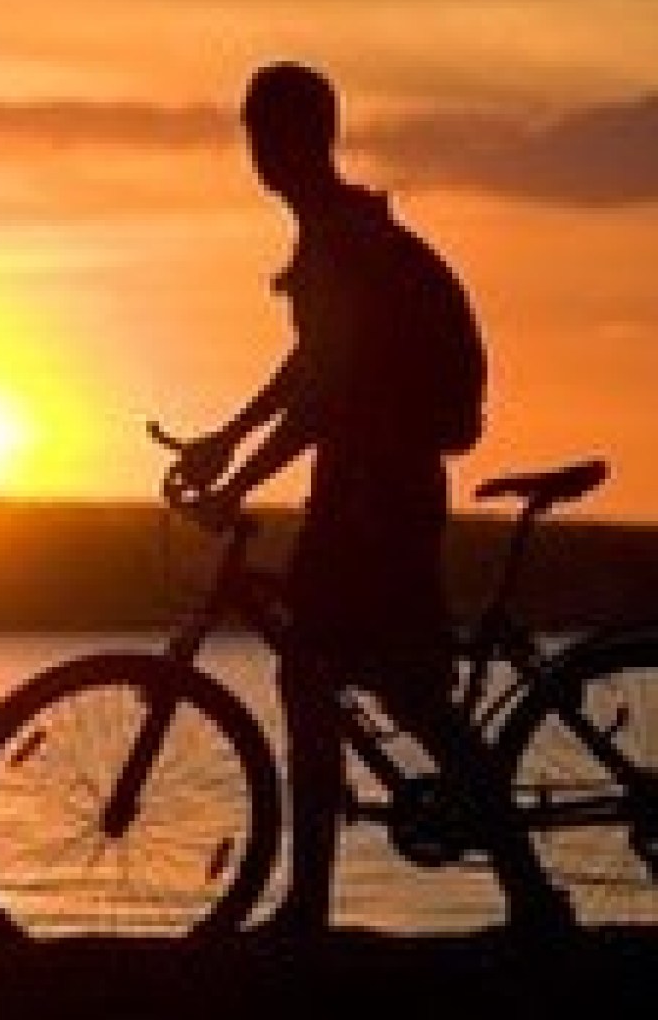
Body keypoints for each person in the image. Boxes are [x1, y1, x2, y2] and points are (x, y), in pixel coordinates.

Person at [173, 61, 576, 939]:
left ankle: (518, 901)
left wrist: (238, 475)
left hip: (378, 489)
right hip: (363, 480)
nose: (262, 152)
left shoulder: (343, 238)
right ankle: (329, 905)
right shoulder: (335, 234)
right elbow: (314, 367)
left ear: (307, 138)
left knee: (387, 689)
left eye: (271, 133)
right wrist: (228, 438)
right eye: (255, 134)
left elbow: (327, 388)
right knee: (323, 676)